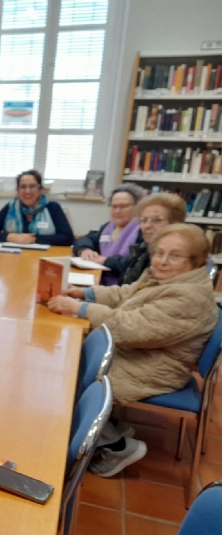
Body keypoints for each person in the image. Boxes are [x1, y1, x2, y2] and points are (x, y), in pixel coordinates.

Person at [48, 224, 218, 477]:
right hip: (140, 354)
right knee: (70, 361)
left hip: (153, 368)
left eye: (174, 255)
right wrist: (87, 293)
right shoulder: (165, 278)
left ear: (195, 262)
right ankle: (107, 425)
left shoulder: (189, 297)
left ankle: (117, 445)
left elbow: (130, 329)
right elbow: (126, 294)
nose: (162, 261)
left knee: (67, 377)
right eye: (159, 253)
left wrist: (80, 308)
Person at [70, 192, 186, 293]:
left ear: (175, 223)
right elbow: (128, 292)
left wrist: (86, 307)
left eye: (157, 220)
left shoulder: (175, 260)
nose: (147, 226)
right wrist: (84, 249)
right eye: (144, 220)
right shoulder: (145, 246)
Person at [72, 183, 146, 285]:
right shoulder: (108, 228)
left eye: (123, 206)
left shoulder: (144, 230)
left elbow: (137, 264)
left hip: (124, 286)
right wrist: (84, 250)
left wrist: (106, 261)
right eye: (114, 206)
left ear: (138, 207)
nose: (117, 211)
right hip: (100, 280)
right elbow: (85, 239)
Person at [0, 169, 74, 246]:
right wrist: (11, 237)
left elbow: (68, 238)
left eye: (32, 186)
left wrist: (33, 239)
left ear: (40, 190)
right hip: (14, 257)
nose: (27, 191)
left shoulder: (52, 207)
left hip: (44, 257)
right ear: (17, 191)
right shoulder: (11, 207)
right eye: (23, 187)